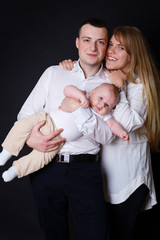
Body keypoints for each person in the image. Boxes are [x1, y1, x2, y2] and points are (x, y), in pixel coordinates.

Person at [15, 18, 118, 240]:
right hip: (45, 167)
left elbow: (109, 136)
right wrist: (31, 139)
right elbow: (24, 115)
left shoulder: (113, 83)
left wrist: (82, 112)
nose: (92, 48)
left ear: (106, 46)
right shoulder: (54, 72)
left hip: (85, 170)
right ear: (77, 42)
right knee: (54, 234)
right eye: (87, 40)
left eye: (100, 42)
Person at [59, 26, 160, 239]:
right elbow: (84, 81)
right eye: (111, 44)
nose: (111, 51)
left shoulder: (138, 83)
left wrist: (120, 91)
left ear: (134, 54)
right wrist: (69, 65)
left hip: (129, 181)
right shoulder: (108, 77)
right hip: (102, 177)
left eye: (120, 47)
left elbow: (128, 123)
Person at [0, 83, 128, 182]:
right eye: (100, 98)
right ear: (93, 91)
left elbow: (112, 125)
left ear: (111, 109)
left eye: (107, 105)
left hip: (58, 140)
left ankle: (16, 170)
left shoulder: (103, 116)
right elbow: (67, 89)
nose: (101, 104)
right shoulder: (83, 95)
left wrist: (121, 132)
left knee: (39, 160)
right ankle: (7, 151)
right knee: (21, 126)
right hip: (45, 120)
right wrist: (80, 96)